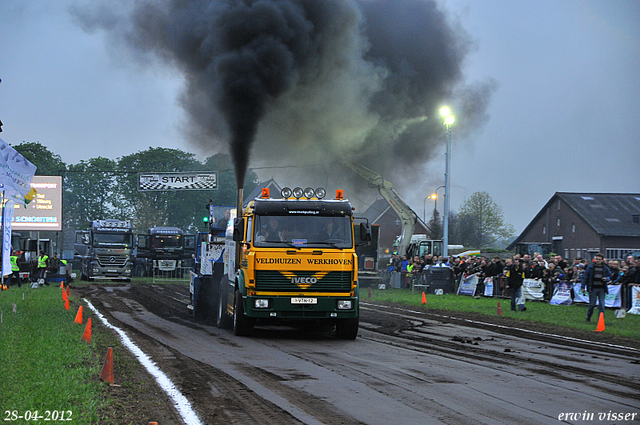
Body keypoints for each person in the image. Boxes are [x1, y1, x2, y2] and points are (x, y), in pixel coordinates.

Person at [582, 253, 612, 323]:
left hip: (602, 288)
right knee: (592, 304)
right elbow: (586, 277)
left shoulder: (605, 268)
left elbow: (610, 275)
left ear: (602, 260)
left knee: (602, 305)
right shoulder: (590, 267)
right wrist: (583, 286)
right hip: (593, 288)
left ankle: (600, 320)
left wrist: (606, 279)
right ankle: (588, 317)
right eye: (596, 259)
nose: (597, 260)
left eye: (599, 259)